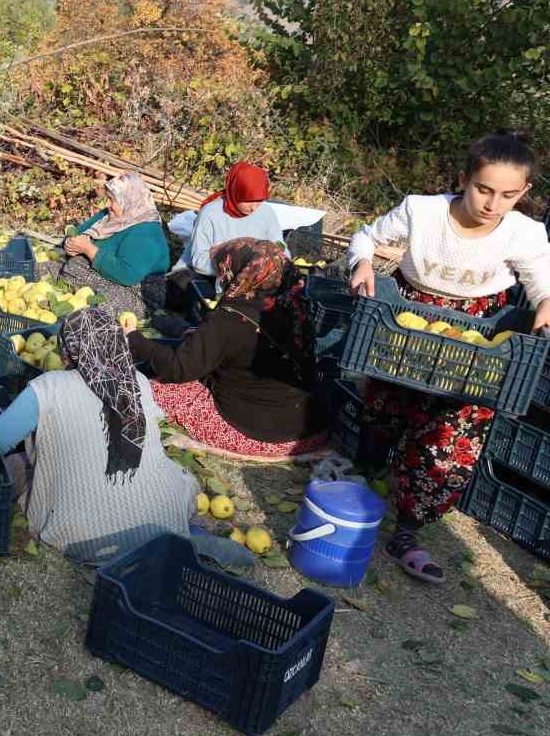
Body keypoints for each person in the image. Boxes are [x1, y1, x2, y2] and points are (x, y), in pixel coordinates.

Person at [347, 132, 550, 584]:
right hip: (409, 320)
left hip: (475, 334)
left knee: (451, 435)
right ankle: (360, 489)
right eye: (484, 189)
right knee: (387, 412)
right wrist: (362, 263)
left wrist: (545, 307)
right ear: (463, 179)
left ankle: (408, 530)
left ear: (525, 193)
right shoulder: (423, 210)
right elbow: (366, 237)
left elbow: (542, 283)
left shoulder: (525, 232)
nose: (493, 204)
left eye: (509, 194)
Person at [0, 307, 198, 564]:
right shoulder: (139, 381)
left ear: (67, 350)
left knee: (13, 465)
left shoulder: (49, 386)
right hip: (162, 522)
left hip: (82, 534)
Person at [130, 239, 328, 460]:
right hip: (309, 431)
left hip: (259, 435)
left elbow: (178, 369)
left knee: (153, 386)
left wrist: (135, 341)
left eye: (221, 273)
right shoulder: (298, 306)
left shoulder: (231, 316)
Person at [62, 173, 171, 286]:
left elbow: (127, 275)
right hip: (89, 274)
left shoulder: (147, 232)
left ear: (129, 200)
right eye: (107, 198)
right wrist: (70, 244)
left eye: (112, 199)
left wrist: (89, 250)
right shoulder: (108, 215)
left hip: (132, 292)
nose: (107, 204)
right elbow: (78, 232)